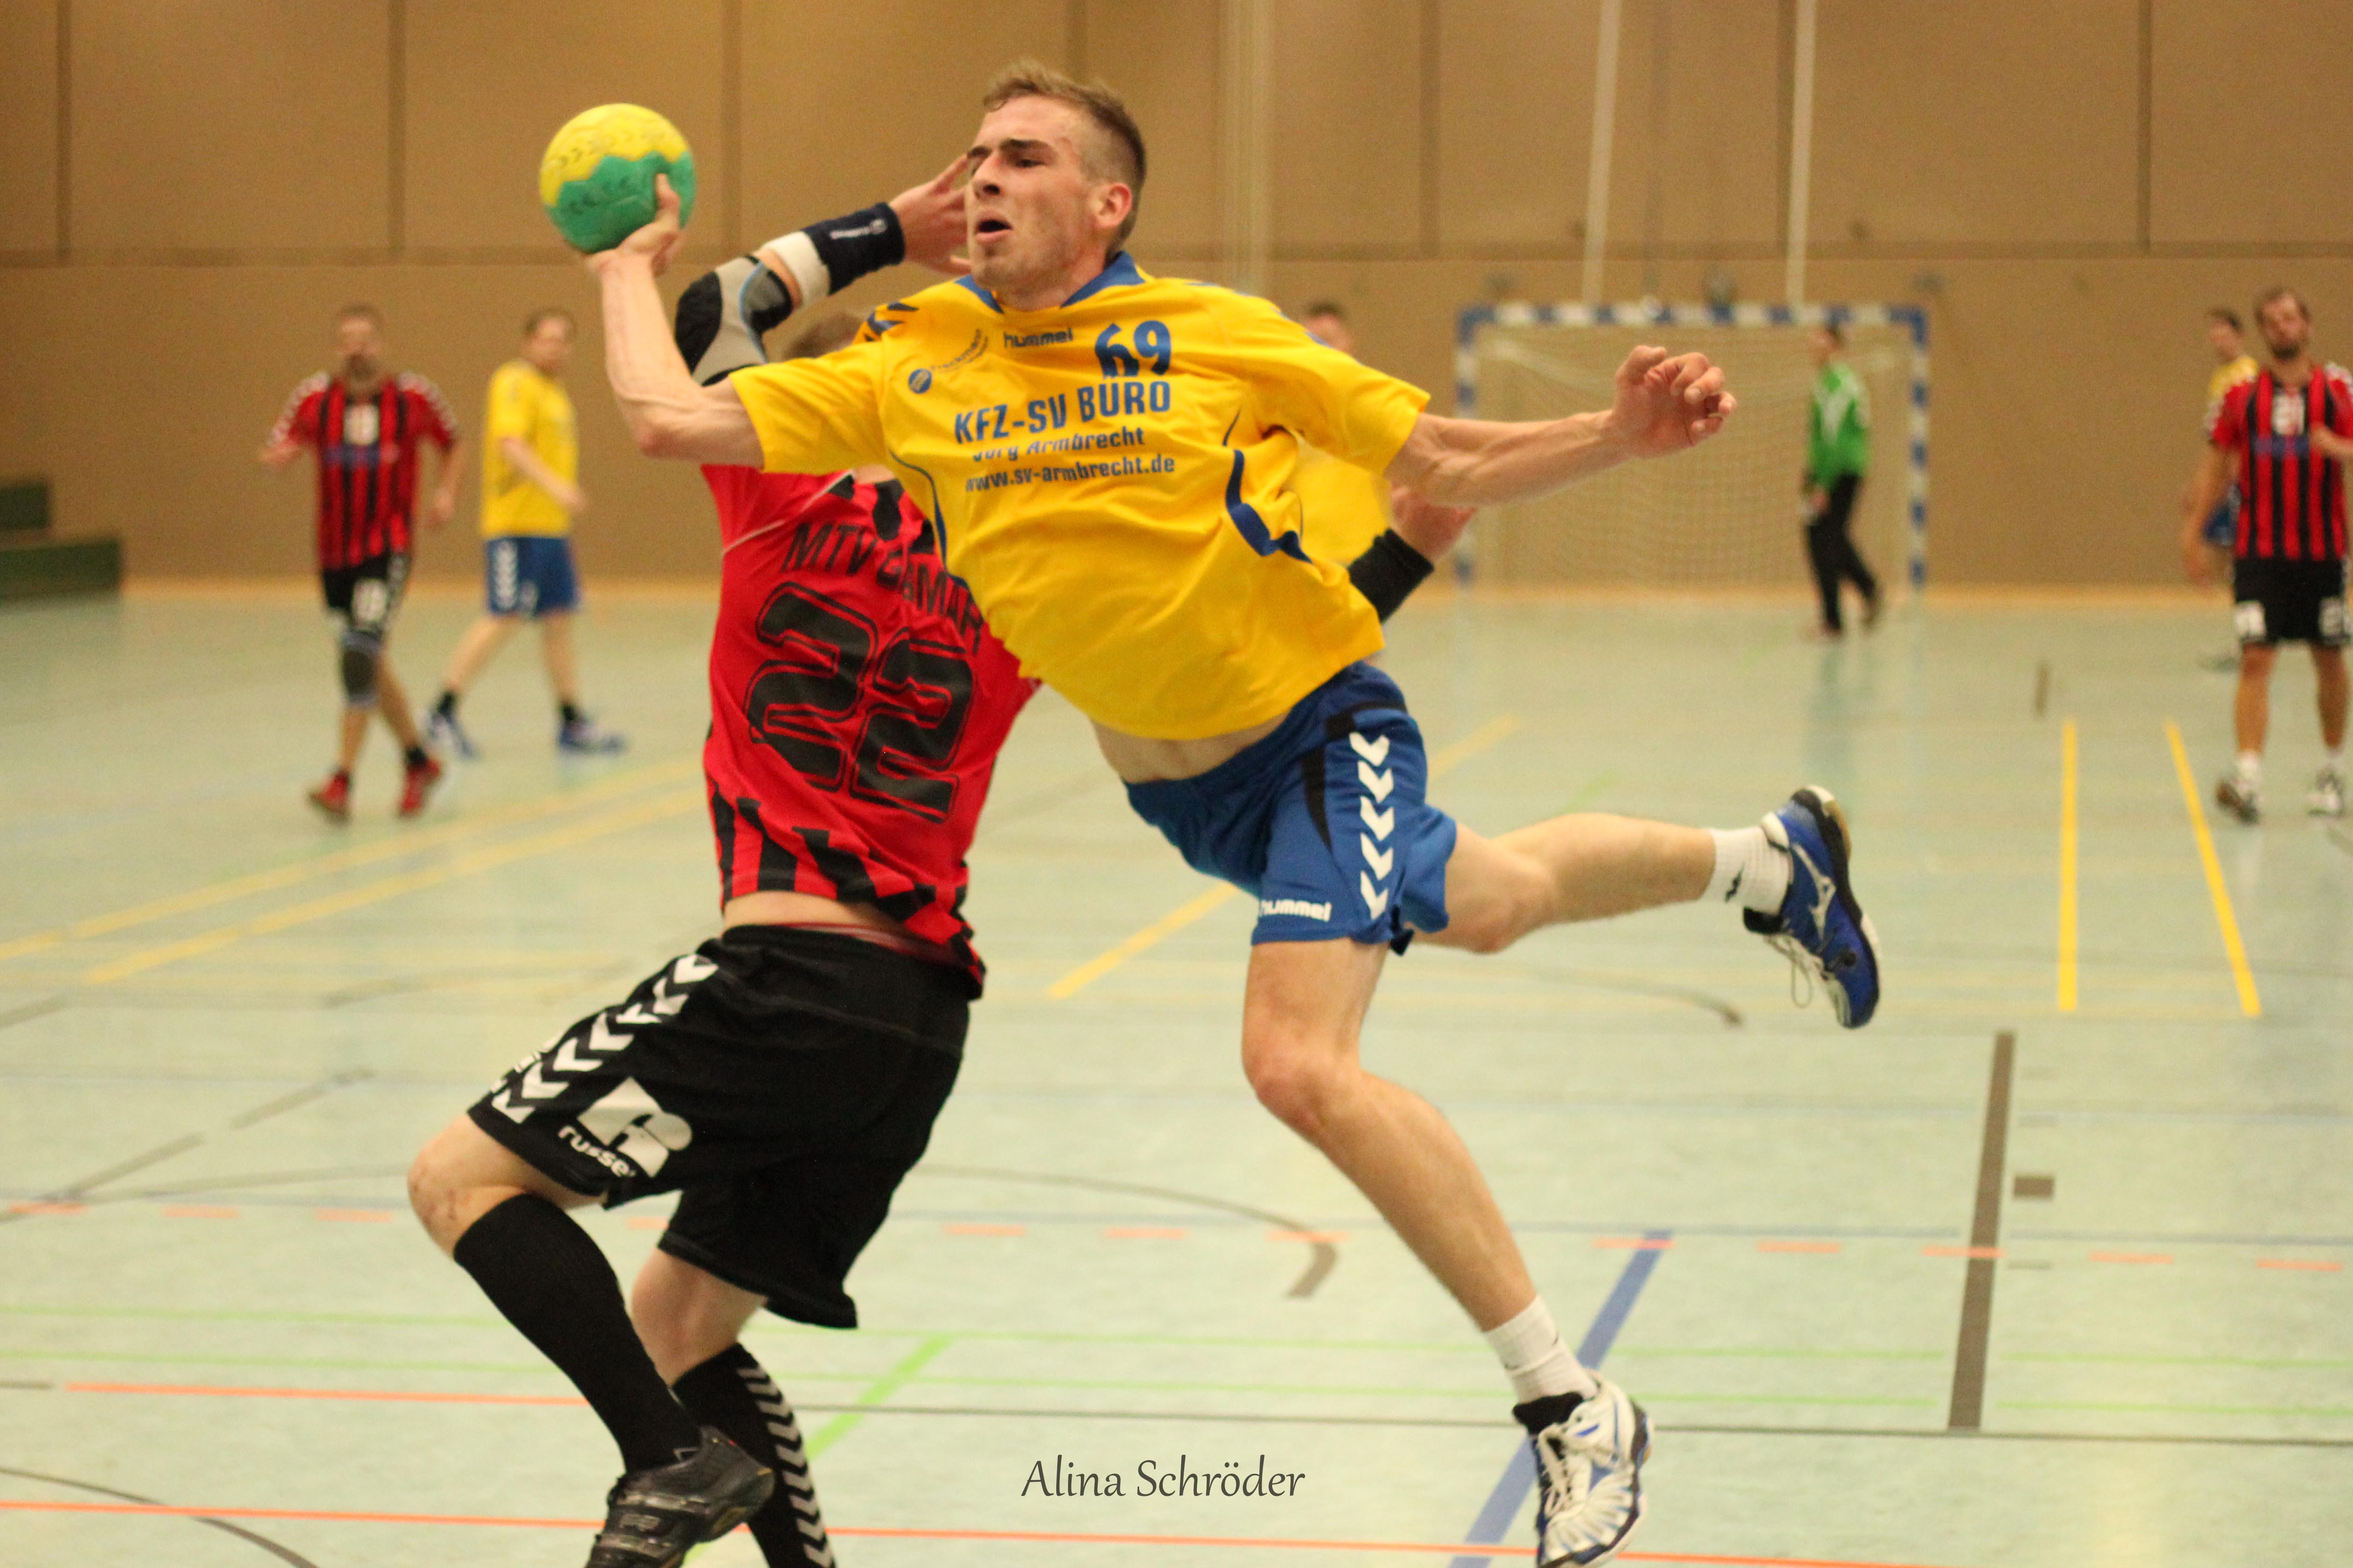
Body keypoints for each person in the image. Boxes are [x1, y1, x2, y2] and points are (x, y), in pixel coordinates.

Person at [589, 62, 1881, 1568]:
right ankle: (1764, 860)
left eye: (1023, 156)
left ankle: (1571, 1403)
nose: (986, 176)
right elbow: (670, 412)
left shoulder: (1214, 334)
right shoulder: (918, 361)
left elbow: (1440, 456)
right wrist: (626, 267)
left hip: (1320, 735)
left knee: (1296, 1063)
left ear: (1107, 202)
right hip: (1189, 798)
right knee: (1498, 897)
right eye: (976, 155)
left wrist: (1615, 435)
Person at [405, 155, 1476, 1568]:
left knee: (459, 1181)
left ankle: (663, 1463)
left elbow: (709, 315)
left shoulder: (779, 497)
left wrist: (873, 234)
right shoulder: (1014, 565)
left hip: (787, 977)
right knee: (680, 1325)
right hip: (915, 1031)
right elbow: (1247, 666)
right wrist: (1406, 556)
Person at [259, 304, 458, 820]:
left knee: (358, 655)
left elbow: (452, 441)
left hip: (387, 547)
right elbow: (280, 441)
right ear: (336, 348)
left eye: (366, 338)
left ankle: (341, 780)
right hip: (333, 555)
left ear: (381, 345)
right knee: (367, 658)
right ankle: (419, 761)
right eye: (348, 339)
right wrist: (279, 457)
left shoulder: (413, 396)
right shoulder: (314, 398)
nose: (358, 348)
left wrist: (445, 494)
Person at [425, 308, 627, 757]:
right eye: (546, 339)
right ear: (528, 342)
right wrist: (558, 488)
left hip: (551, 528)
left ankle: (571, 722)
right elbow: (511, 445)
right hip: (516, 525)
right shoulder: (514, 382)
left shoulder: (555, 392)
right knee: (504, 614)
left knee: (558, 620)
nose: (554, 348)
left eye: (562, 340)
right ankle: (442, 712)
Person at [2185, 286, 2350, 821]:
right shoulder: (2242, 397)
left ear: (2307, 325)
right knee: (2256, 656)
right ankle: (2249, 777)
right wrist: (2192, 533)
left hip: (2323, 552)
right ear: (2263, 332)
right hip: (2259, 551)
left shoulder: (2338, 390)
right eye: (2272, 320)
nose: (2283, 326)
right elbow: (2216, 464)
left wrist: (2340, 448)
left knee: (2329, 658)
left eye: (2290, 317)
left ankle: (2332, 770)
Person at [1292, 300, 1397, 566]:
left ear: (1348, 342)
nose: (1321, 349)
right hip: (1306, 554)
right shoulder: (1285, 411)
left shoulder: (1376, 404)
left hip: (1365, 551)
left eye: (1329, 340)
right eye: (1312, 341)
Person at [1801, 321, 1879, 637]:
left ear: (1834, 344)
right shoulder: (1845, 380)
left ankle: (1834, 619)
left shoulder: (1834, 384)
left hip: (1836, 470)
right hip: (1846, 468)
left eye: (1820, 340)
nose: (1813, 347)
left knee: (1822, 540)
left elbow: (1832, 436)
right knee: (1830, 536)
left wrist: (1821, 482)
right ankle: (1867, 589)